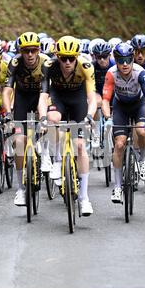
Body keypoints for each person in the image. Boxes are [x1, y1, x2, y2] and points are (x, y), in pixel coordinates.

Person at [38, 36, 97, 216]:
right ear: (57, 56)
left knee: (79, 146)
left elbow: (92, 97)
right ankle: (57, 160)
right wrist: (42, 118)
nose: (68, 62)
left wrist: (89, 116)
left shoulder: (86, 66)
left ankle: (84, 198)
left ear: (77, 56)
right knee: (53, 118)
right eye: (64, 58)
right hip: (58, 97)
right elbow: (43, 96)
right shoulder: (49, 66)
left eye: (72, 58)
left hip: (78, 99)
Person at [101, 43, 145, 203]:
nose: (125, 64)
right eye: (121, 60)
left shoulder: (140, 72)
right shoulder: (111, 73)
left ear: (132, 59)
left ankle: (143, 159)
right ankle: (117, 187)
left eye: (128, 60)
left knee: (141, 131)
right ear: (116, 61)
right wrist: (107, 117)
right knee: (119, 145)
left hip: (139, 105)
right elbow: (105, 100)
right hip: (120, 107)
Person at [2, 32, 50, 206]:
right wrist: (8, 113)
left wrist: (43, 117)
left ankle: (45, 152)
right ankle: (21, 189)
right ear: (21, 51)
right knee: (19, 141)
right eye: (26, 51)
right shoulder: (15, 63)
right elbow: (7, 90)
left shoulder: (45, 62)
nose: (30, 54)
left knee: (44, 123)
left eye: (33, 50)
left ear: (38, 50)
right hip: (22, 97)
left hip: (41, 96)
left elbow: (44, 93)